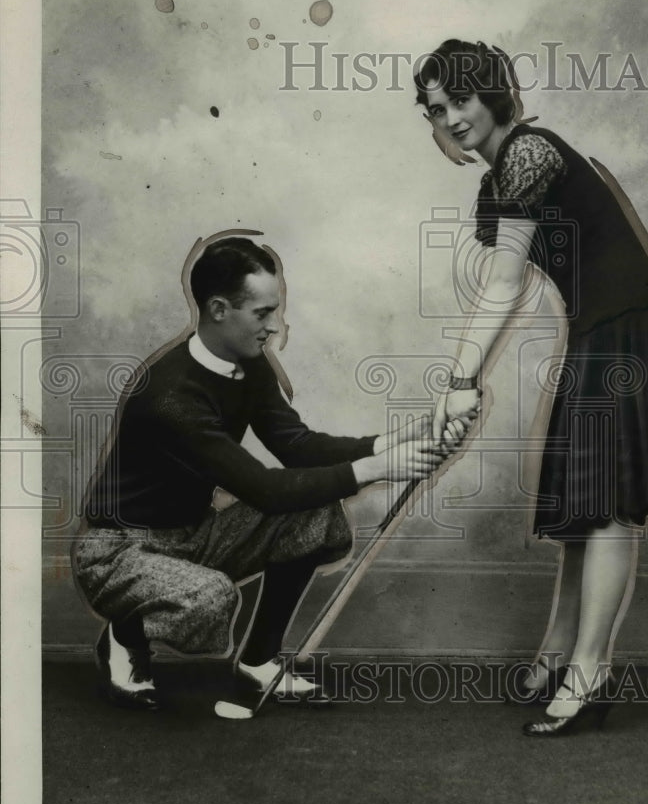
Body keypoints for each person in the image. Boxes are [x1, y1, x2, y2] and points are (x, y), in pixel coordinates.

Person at [414, 39, 648, 735]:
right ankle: (557, 651)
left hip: (632, 330)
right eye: (435, 109)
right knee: (586, 506)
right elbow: (510, 292)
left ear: (492, 94)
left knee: (605, 508)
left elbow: (504, 285)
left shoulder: (528, 151)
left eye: (460, 100)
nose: (451, 118)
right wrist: (464, 379)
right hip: (601, 329)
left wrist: (460, 380)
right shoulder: (499, 175)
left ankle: (590, 671)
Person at [72, 236, 461, 711]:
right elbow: (262, 489)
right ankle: (125, 632)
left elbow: (297, 446)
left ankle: (259, 664)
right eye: (262, 314)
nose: (275, 326)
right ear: (218, 309)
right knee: (210, 600)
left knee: (313, 509)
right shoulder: (172, 396)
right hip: (121, 550)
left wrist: (394, 441)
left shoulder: (250, 364)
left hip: (194, 536)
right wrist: (376, 469)